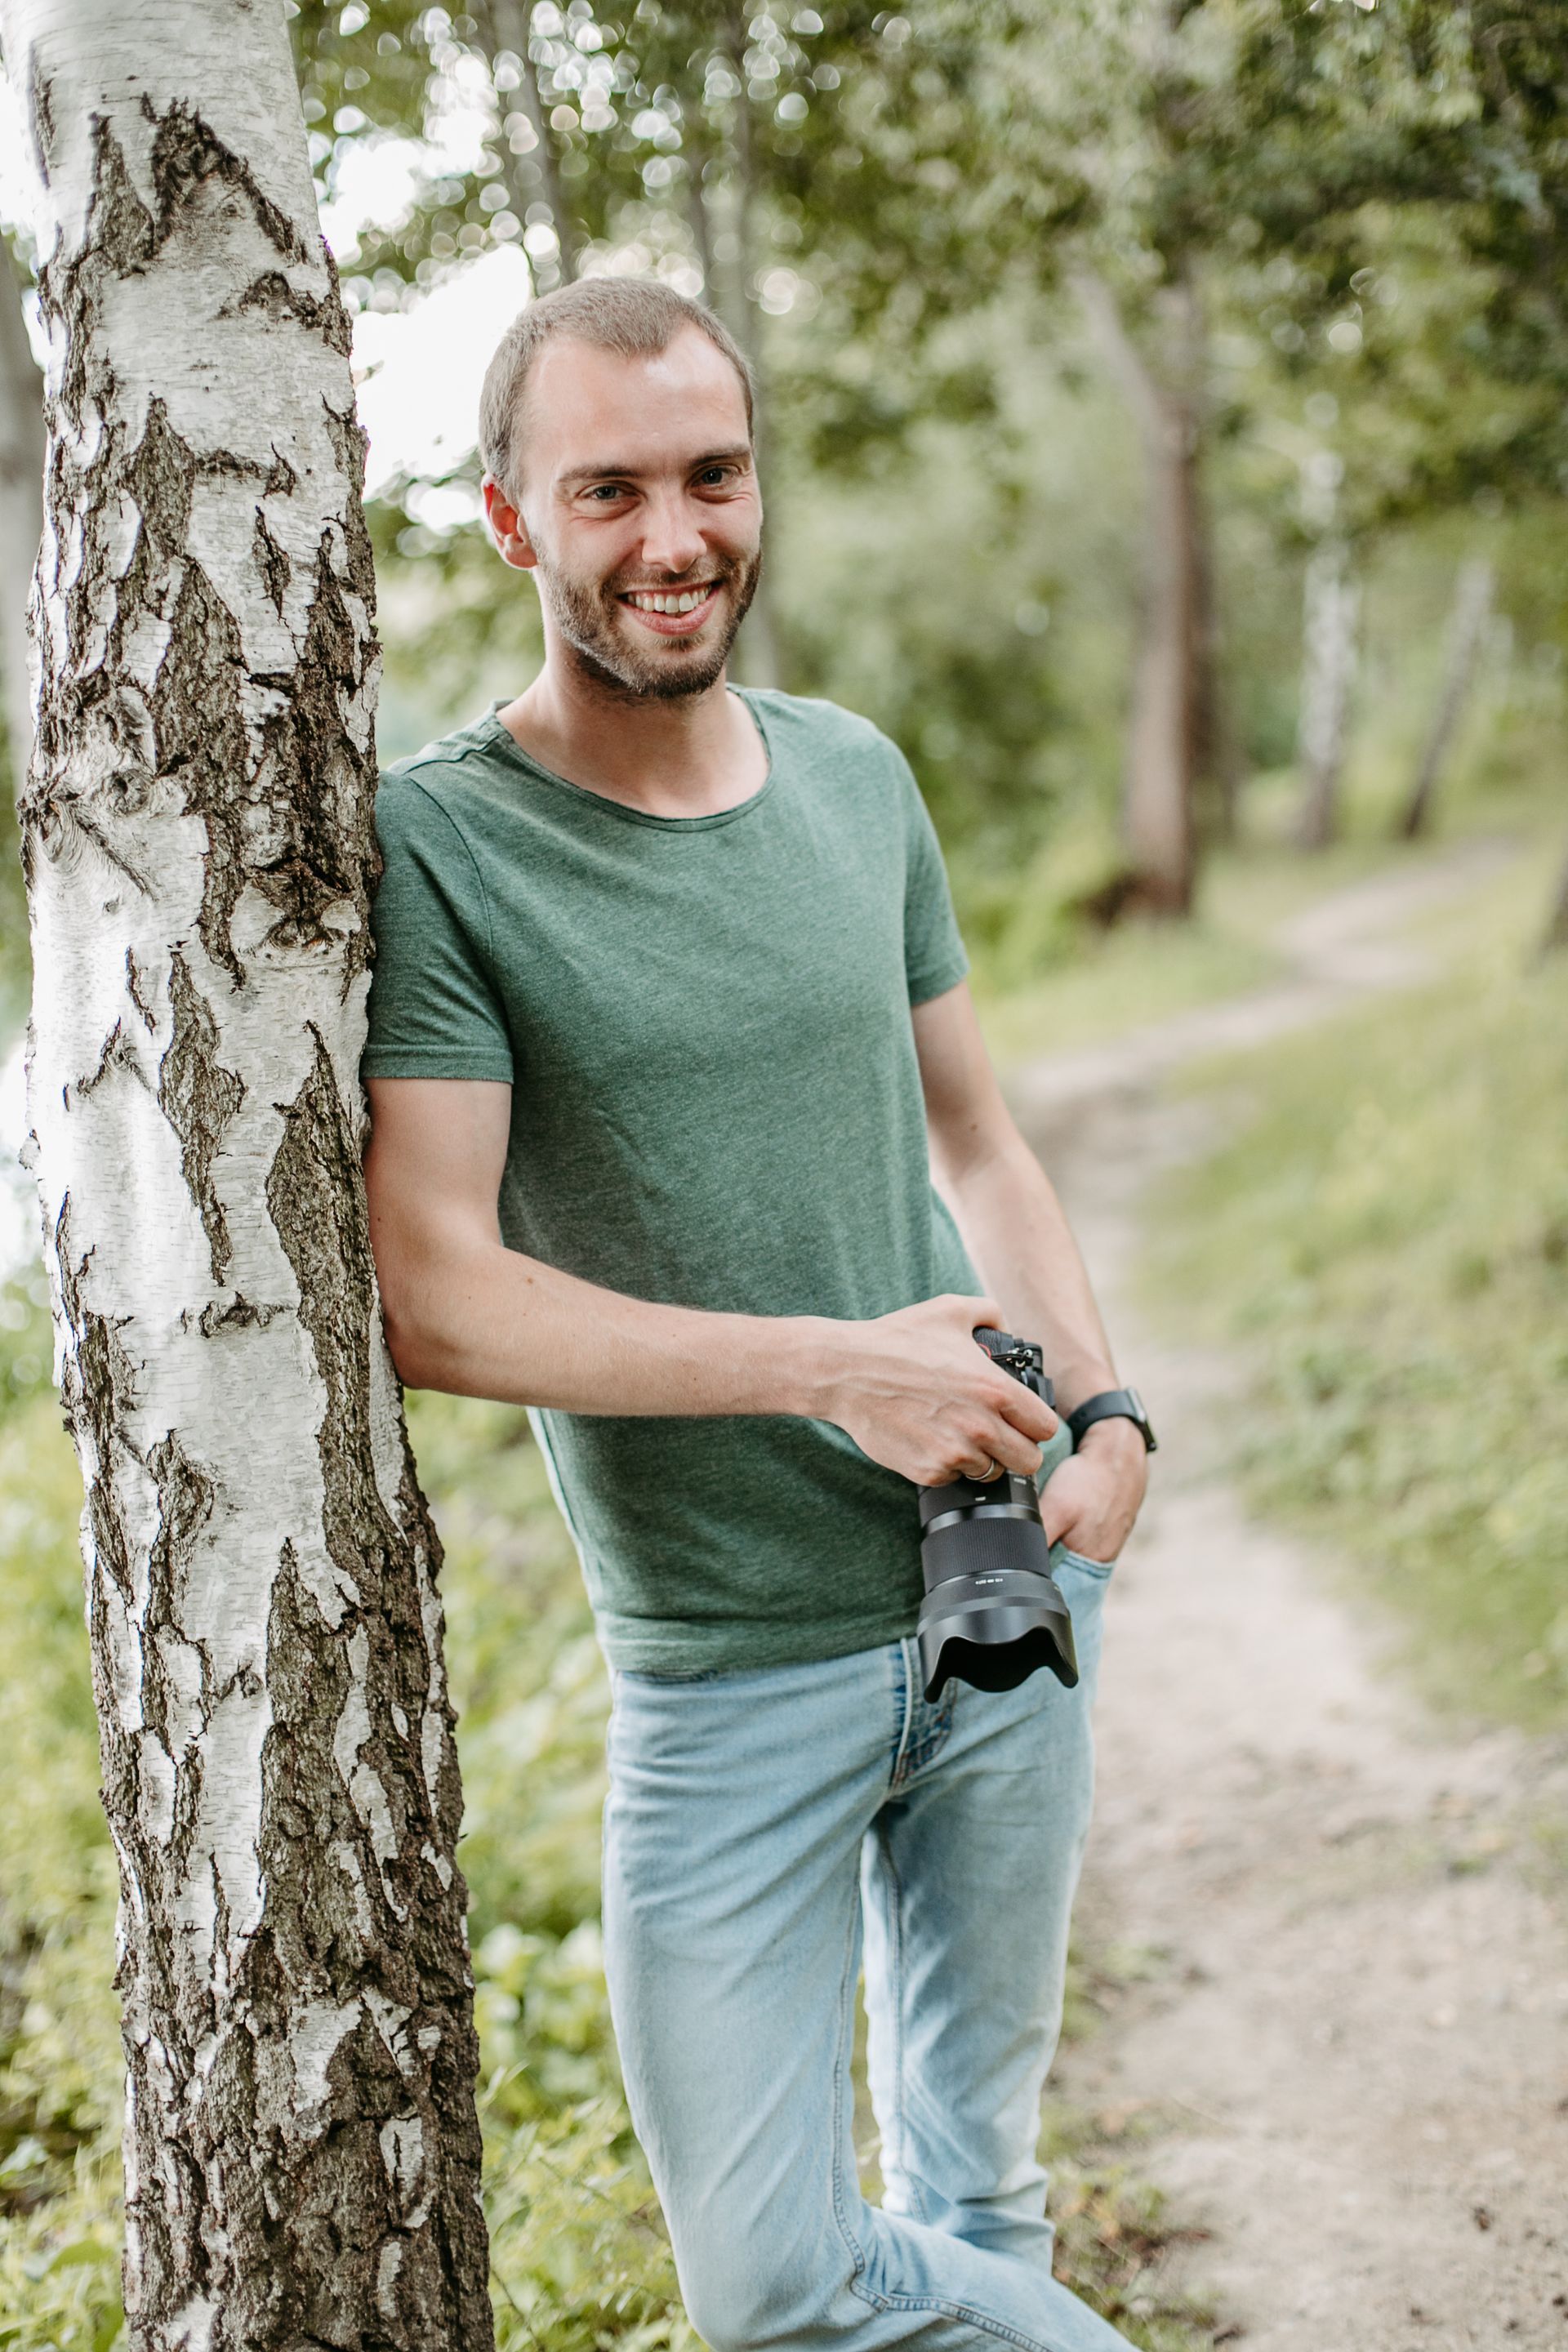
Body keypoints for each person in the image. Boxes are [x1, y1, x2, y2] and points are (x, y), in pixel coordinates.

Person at [362, 278, 1152, 2352]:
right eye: (606, 488)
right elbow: (433, 1292)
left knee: (982, 2177)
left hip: (1005, 1609)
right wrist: (839, 1371)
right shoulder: (444, 846)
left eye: (713, 473)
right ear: (512, 521)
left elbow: (979, 1139)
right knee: (778, 2293)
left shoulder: (856, 779)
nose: (676, 534)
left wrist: (1112, 1412)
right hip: (728, 1676)